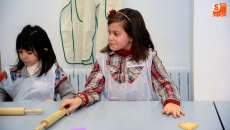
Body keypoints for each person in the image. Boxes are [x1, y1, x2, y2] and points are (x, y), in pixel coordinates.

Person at [60, 8, 185, 118]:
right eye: (109, 32)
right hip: (111, 119)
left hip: (145, 119)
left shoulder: (149, 57)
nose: (110, 37)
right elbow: (93, 89)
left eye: (116, 34)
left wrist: (171, 102)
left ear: (132, 37)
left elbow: (165, 84)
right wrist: (79, 100)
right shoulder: (103, 59)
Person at [0, 25, 76, 102]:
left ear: (44, 51)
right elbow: (1, 91)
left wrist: (55, 106)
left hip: (47, 113)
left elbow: (70, 95)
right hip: (19, 113)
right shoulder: (13, 72)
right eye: (20, 52)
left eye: (29, 53)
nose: (23, 57)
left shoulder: (55, 72)